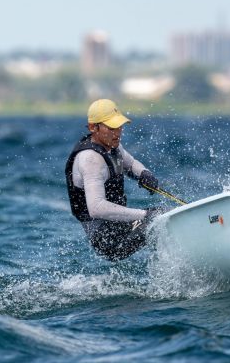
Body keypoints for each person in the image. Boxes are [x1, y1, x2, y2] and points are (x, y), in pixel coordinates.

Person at [65, 99, 162, 261]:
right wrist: (145, 215)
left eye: (119, 126)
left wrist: (145, 174)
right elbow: (97, 208)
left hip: (117, 225)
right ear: (93, 128)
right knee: (158, 220)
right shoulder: (90, 159)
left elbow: (130, 164)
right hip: (106, 238)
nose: (117, 133)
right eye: (111, 128)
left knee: (161, 217)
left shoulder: (112, 145)